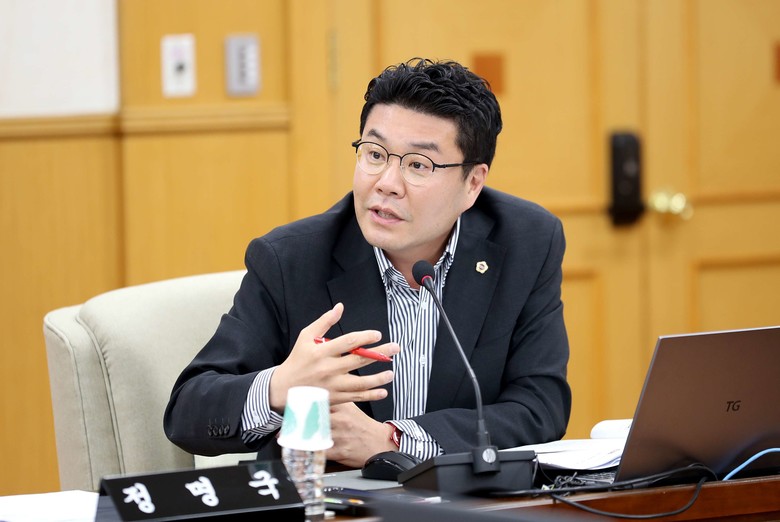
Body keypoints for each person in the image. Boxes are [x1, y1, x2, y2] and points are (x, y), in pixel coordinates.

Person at [164, 58, 571, 468]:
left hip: (463, 497)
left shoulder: (525, 243)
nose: (386, 183)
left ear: (472, 184)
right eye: (375, 154)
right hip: (326, 497)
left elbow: (541, 405)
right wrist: (281, 386)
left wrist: (392, 440)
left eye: (418, 165)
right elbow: (187, 412)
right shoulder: (291, 260)